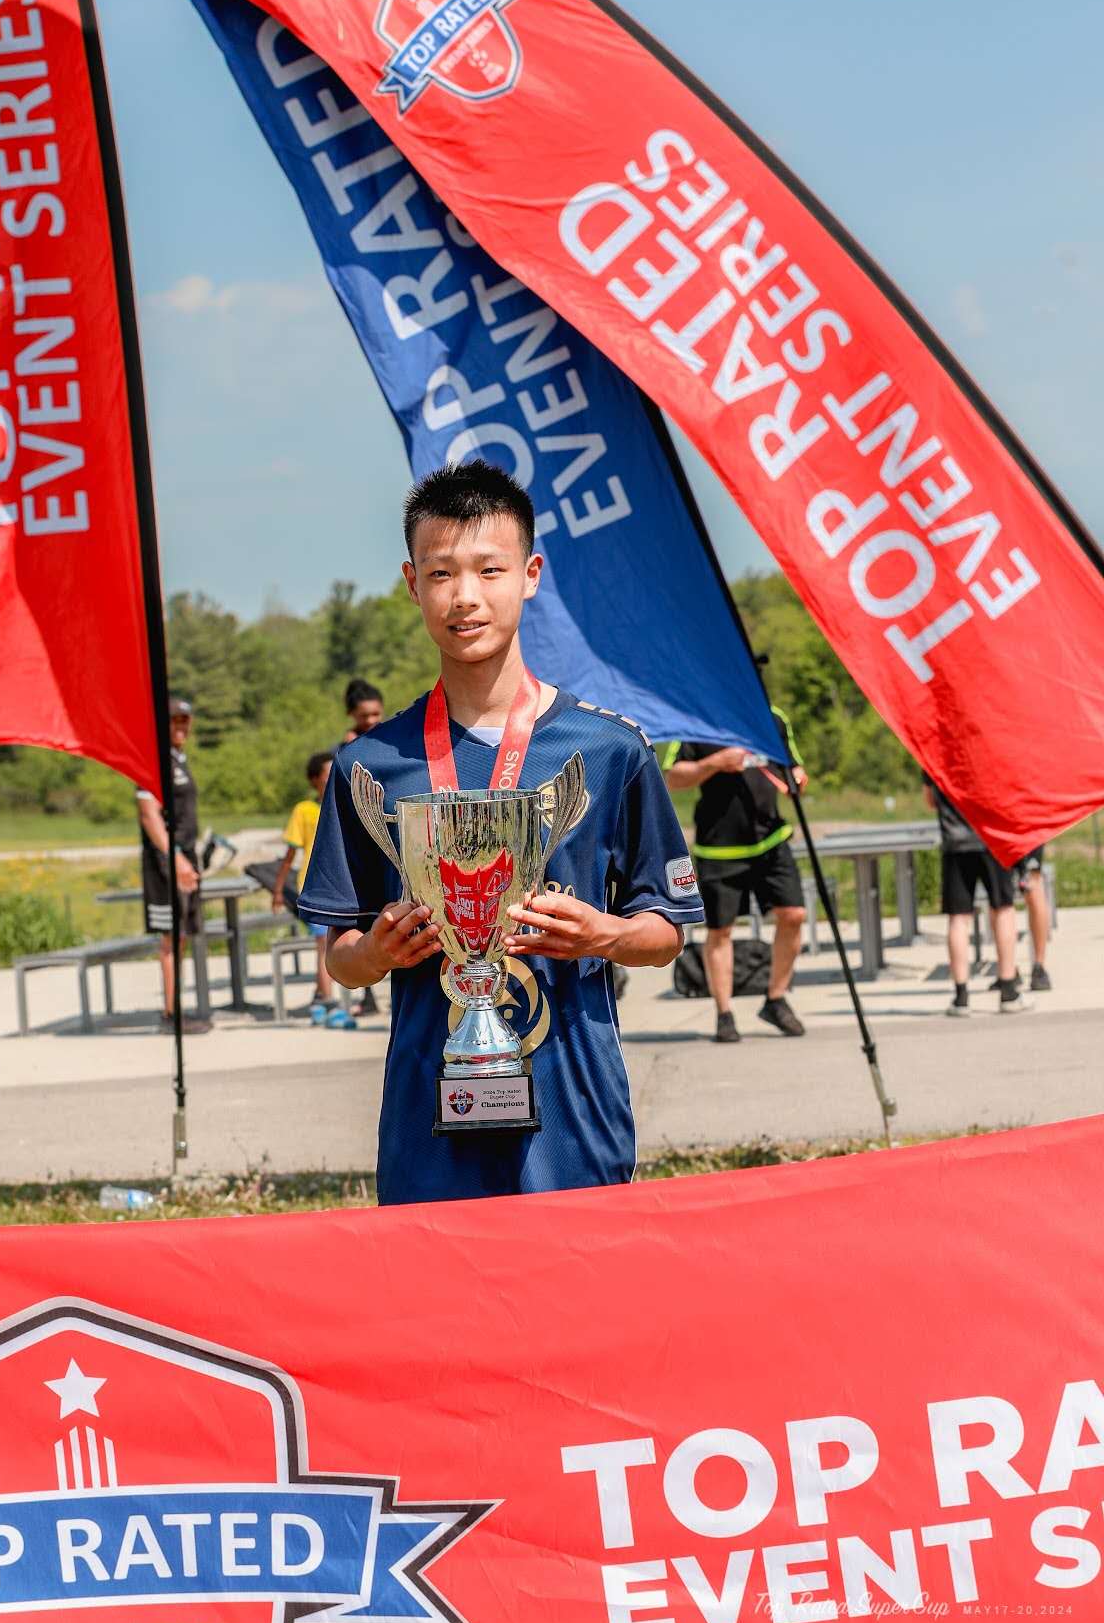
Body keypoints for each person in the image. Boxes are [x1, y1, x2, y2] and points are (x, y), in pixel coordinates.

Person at [298, 460, 702, 1206]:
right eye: (442, 572)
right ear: (412, 583)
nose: (466, 596)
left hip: (575, 1118)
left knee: (586, 1315)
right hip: (429, 1128)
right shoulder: (369, 766)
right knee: (441, 1319)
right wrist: (377, 954)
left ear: (531, 574)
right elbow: (342, 961)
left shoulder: (610, 751)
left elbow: (667, 932)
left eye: (490, 569)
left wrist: (603, 934)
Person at [662, 721, 808, 1042]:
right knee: (721, 930)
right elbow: (672, 776)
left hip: (771, 838)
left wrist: (797, 777)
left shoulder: (769, 714)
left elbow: (792, 766)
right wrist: (713, 764)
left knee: (794, 914)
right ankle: (724, 1014)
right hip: (720, 845)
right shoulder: (695, 719)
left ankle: (776, 999)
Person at [923, 776, 1030, 1015]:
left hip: (956, 842)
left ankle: (961, 996)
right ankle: (1008, 991)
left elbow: (930, 800)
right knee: (1003, 908)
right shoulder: (991, 739)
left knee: (958, 918)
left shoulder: (936, 743)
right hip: (993, 836)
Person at [136, 698, 210, 1033]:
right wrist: (175, 859)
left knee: (182, 937)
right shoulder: (153, 761)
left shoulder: (179, 760)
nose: (180, 727)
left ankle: (178, 1008)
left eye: (185, 721)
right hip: (165, 864)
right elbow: (149, 816)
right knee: (170, 938)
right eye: (174, 721)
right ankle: (170, 1015)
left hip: (185, 858)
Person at [272, 751, 354, 1028]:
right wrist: (277, 889)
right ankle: (331, 1003)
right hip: (314, 888)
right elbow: (289, 854)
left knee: (335, 943)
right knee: (324, 946)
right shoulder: (303, 811)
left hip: (343, 887)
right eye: (327, 774)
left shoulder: (346, 804)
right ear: (313, 779)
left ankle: (321, 997)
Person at [1015, 846, 1052, 992]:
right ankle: (1009, 970)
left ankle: (1037, 966)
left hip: (1024, 830)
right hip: (1023, 829)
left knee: (1032, 888)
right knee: (1002, 901)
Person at [343, 678, 383, 742]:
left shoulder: (395, 734)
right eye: (364, 715)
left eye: (375, 714)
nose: (370, 721)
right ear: (351, 713)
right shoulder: (343, 748)